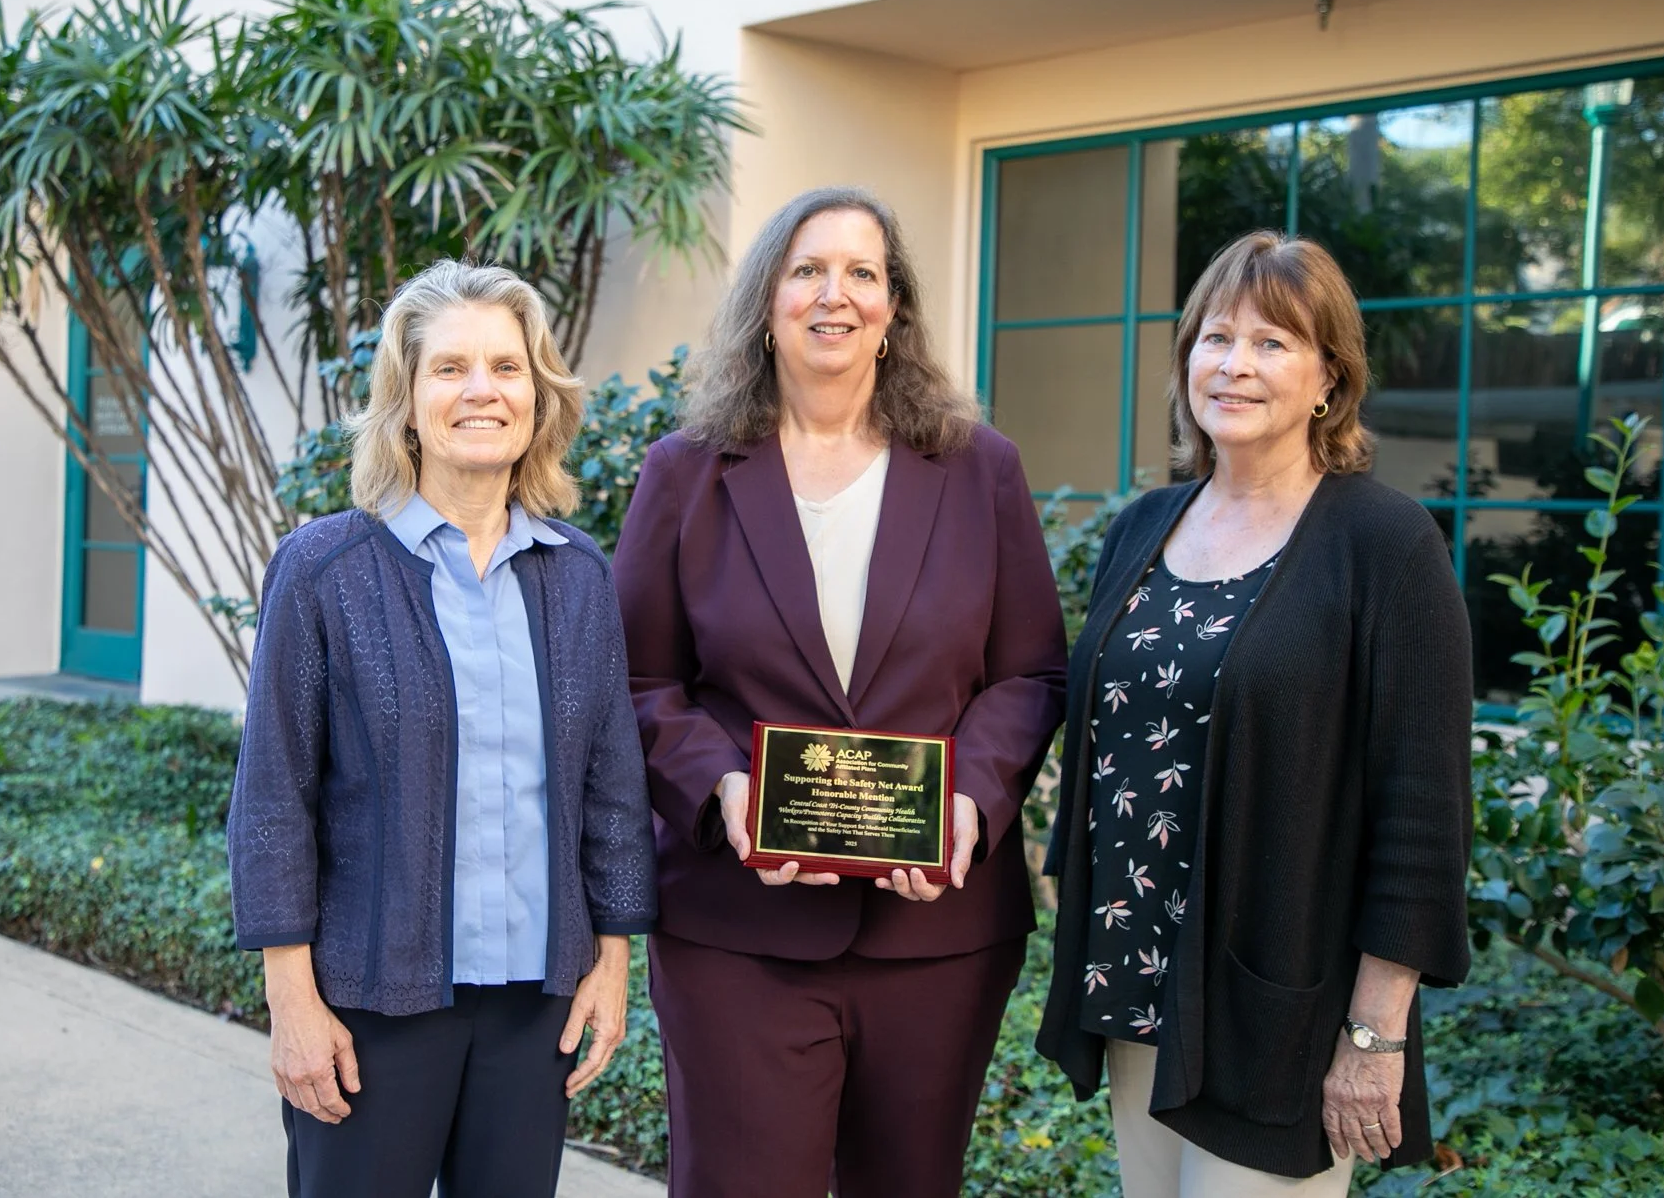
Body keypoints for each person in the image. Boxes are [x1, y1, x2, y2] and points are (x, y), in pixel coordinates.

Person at [611, 186, 1068, 1198]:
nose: (835, 294)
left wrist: (969, 803)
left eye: (862, 272)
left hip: (933, 932)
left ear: (893, 306)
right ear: (765, 302)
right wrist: (721, 790)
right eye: (806, 270)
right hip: (737, 930)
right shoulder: (685, 474)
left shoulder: (977, 469)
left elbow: (1027, 673)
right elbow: (638, 678)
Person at [1034, 231, 1474, 1195]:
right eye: (1215, 337)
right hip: (1137, 976)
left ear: (1329, 379)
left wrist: (1374, 1034)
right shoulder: (1144, 526)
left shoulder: (1384, 543)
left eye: (1274, 342)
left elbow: (1423, 816)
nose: (1234, 364)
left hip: (1279, 1007)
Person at [226, 260, 657, 1198]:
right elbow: (272, 800)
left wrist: (613, 961)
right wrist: (290, 999)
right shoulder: (324, 569)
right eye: (450, 367)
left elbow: (611, 785)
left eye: (507, 368)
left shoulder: (576, 574)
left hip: (533, 1004)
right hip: (372, 1001)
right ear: (408, 399)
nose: (481, 391)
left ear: (537, 397)